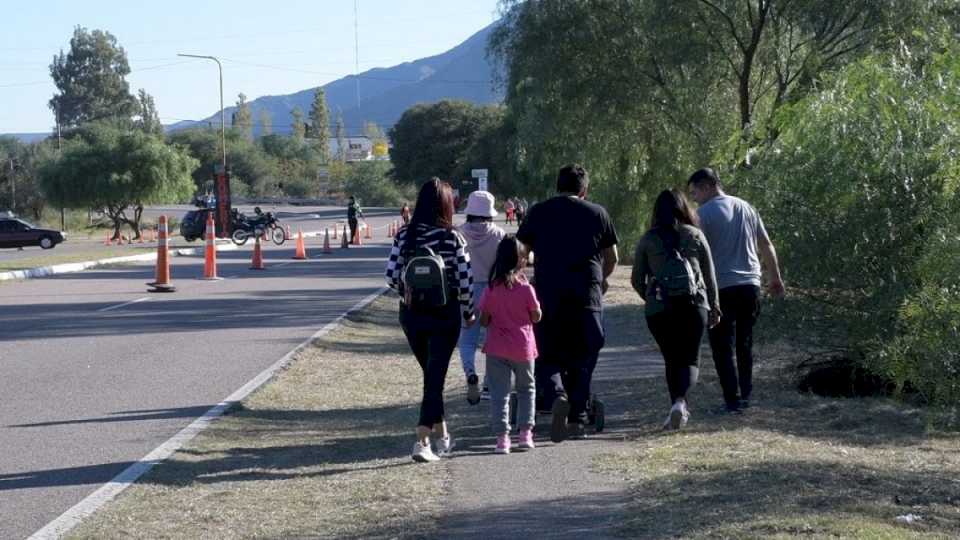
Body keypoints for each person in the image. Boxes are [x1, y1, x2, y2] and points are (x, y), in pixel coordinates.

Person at [517, 164, 619, 443]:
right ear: (584, 190)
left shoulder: (538, 212)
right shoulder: (598, 213)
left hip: (548, 296)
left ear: (557, 186)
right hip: (587, 296)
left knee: (546, 353)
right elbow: (612, 258)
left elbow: (521, 252)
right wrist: (599, 280)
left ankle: (556, 395)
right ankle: (576, 417)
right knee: (585, 355)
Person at [385, 178, 475, 463]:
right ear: (447, 205)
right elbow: (464, 281)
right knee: (434, 377)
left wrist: (410, 292)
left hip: (412, 316)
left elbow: (390, 276)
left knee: (432, 375)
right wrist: (469, 310)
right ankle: (422, 441)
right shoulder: (452, 237)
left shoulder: (405, 235)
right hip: (444, 315)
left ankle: (443, 435)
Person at [687, 167, 785, 413]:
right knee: (745, 343)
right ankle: (746, 395)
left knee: (722, 346)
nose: (694, 197)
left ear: (708, 186)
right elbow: (765, 244)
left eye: (695, 191)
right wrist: (776, 277)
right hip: (750, 285)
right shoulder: (747, 207)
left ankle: (733, 399)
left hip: (721, 287)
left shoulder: (702, 215)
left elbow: (696, 254)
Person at [632, 189, 721, 430]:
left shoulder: (649, 239)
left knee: (671, 359)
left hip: (661, 309)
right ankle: (680, 404)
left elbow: (636, 278)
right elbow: (710, 276)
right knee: (690, 359)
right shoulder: (695, 235)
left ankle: (676, 407)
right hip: (694, 306)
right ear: (684, 209)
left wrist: (651, 297)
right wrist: (714, 306)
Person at [479, 236, 541, 453]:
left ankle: (502, 438)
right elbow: (536, 317)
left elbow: (484, 320)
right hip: (523, 347)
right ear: (521, 260)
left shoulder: (491, 289)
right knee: (526, 389)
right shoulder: (526, 289)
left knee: (499, 393)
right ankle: (525, 434)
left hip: (496, 347)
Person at [457, 191, 506, 404]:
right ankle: (488, 383)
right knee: (493, 339)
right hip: (493, 290)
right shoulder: (499, 235)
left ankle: (470, 373)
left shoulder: (458, 234)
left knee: (467, 340)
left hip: (466, 290)